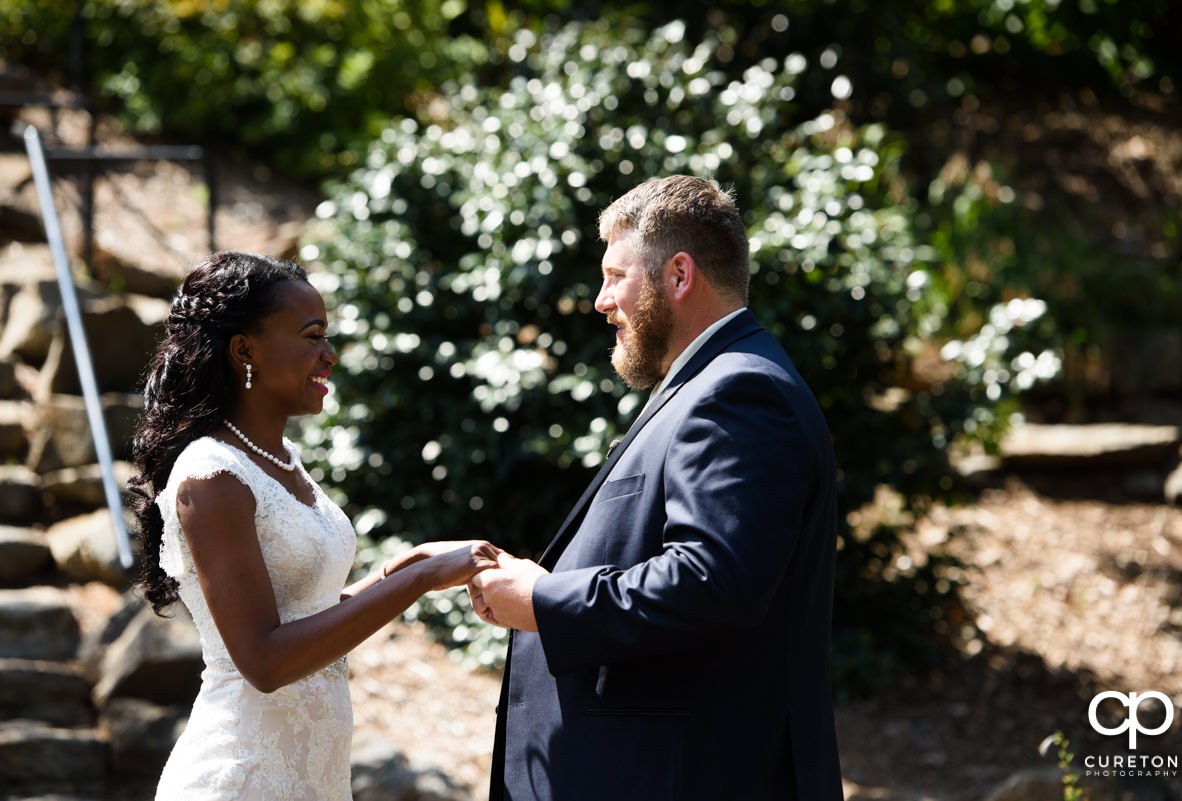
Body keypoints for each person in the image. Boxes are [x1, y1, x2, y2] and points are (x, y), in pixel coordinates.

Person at [468, 175, 844, 801]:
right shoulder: (711, 384)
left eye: (616, 276)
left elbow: (711, 581)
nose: (600, 300)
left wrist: (545, 600)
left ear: (678, 275)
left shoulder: (738, 393)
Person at [128, 251, 499, 801]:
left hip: (315, 776)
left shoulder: (281, 460)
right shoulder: (213, 476)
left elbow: (303, 611)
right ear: (245, 350)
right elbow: (266, 659)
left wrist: (405, 568)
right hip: (242, 776)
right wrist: (415, 584)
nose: (329, 355)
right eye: (311, 336)